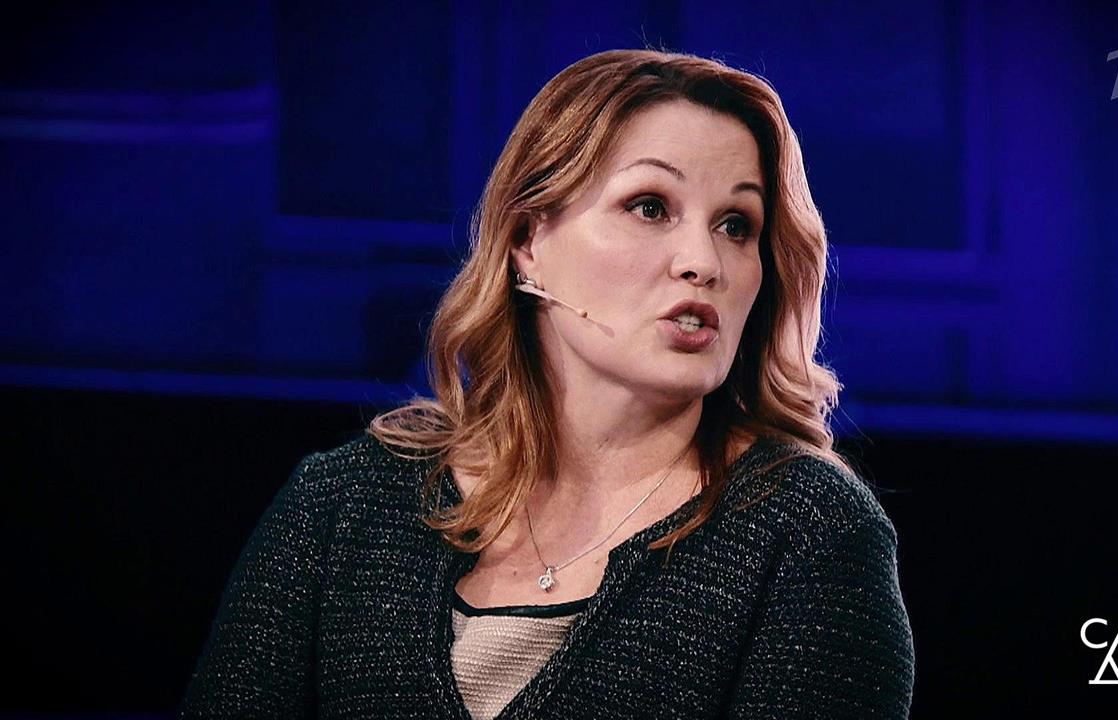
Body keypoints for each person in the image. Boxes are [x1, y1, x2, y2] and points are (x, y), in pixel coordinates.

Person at [179, 48, 914, 719]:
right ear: (529, 241)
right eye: (650, 207)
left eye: (736, 225)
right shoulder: (343, 505)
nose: (702, 261)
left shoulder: (809, 530)